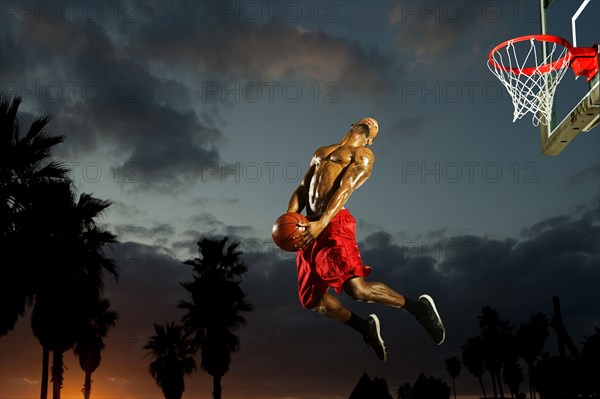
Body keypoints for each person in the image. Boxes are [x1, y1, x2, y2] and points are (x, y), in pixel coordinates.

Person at [286, 117, 445, 361]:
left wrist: (322, 224)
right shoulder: (322, 151)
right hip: (309, 224)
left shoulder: (363, 155)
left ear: (371, 138)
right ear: (352, 124)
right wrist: (289, 219)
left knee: (357, 291)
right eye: (368, 120)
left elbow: (345, 190)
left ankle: (420, 310)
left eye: (376, 127)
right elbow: (301, 188)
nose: (373, 121)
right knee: (312, 301)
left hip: (333, 223)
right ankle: (365, 328)